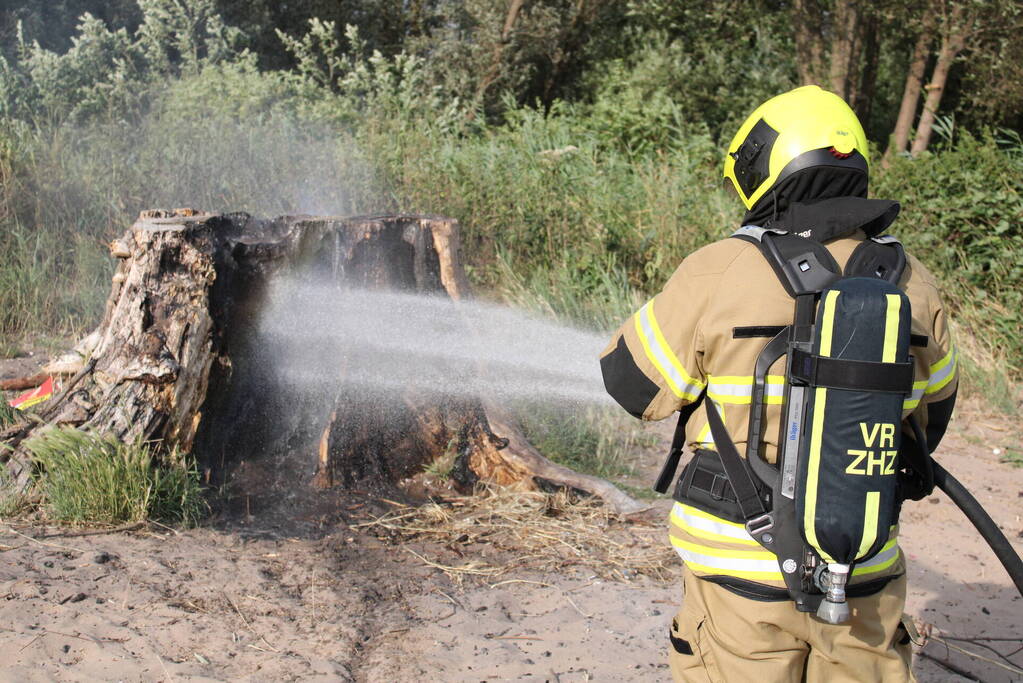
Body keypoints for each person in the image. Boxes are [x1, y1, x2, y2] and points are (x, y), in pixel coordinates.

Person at [600, 85, 958, 682]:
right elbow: (932, 424)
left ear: (764, 168)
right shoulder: (914, 283)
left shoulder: (721, 268)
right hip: (863, 564)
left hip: (739, 571)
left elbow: (632, 385)